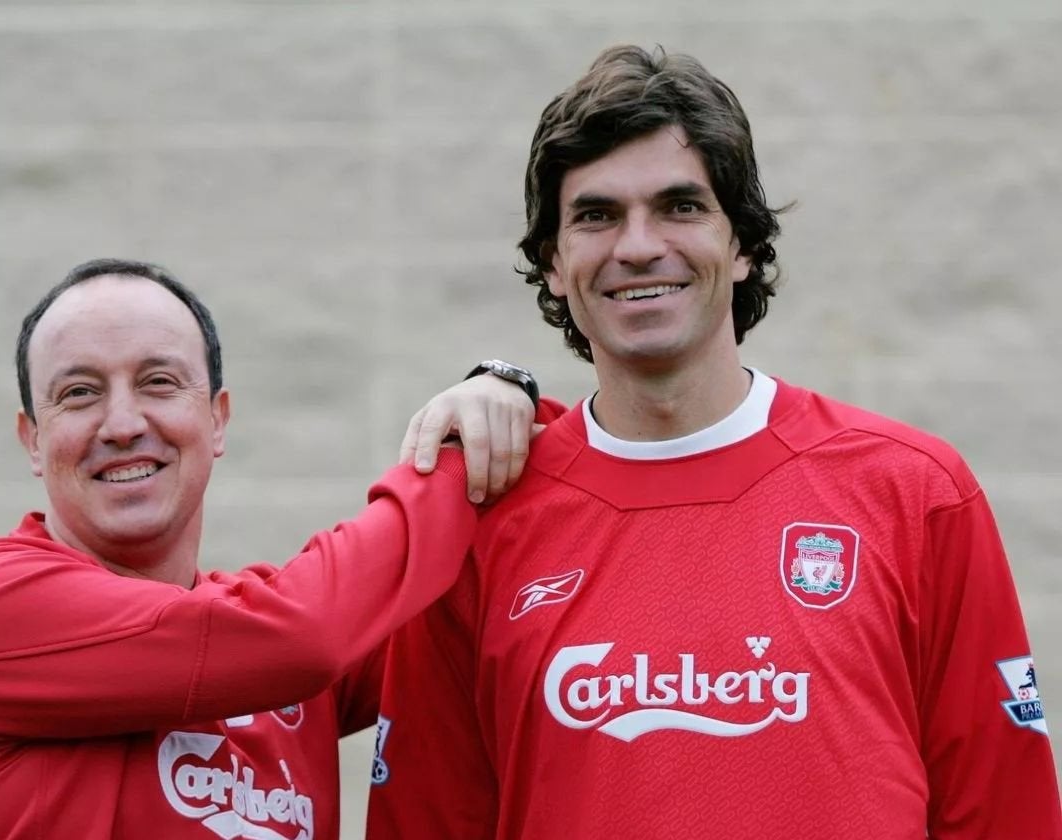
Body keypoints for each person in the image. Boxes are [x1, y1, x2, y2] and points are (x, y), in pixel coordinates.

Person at [367, 45, 1062, 839]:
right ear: (553, 264)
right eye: (596, 215)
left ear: (742, 246)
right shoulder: (480, 521)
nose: (637, 246)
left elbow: (1004, 812)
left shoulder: (914, 490)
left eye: (680, 207)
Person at [0, 258, 541, 839]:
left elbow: (483, 601)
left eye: (159, 383)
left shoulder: (272, 651)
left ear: (217, 420)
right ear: (32, 439)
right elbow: (301, 631)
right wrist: (457, 461)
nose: (124, 424)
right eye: (79, 393)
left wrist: (509, 408)